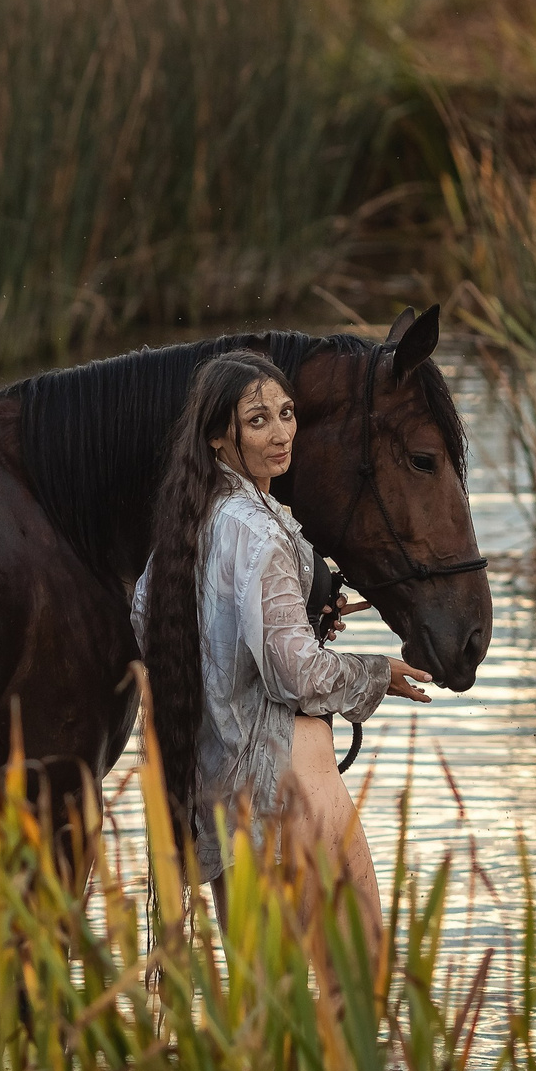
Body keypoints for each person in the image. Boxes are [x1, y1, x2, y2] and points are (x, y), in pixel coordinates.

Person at [133, 350, 433, 949]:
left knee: (259, 995)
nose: (281, 433)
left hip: (222, 796)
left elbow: (152, 622)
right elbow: (295, 673)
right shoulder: (260, 530)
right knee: (361, 974)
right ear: (218, 436)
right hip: (293, 781)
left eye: (287, 413)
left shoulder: (186, 525)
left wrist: (289, 618)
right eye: (257, 420)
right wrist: (374, 673)